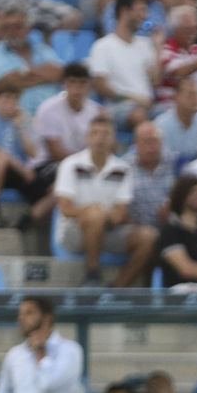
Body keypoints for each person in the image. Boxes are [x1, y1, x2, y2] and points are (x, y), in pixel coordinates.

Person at [53, 114, 158, 287]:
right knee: (96, 215)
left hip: (109, 229)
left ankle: (119, 287)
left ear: (113, 139)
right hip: (73, 231)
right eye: (95, 133)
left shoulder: (123, 169)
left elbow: (122, 211)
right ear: (87, 138)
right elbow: (65, 209)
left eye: (105, 134)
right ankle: (92, 273)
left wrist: (105, 217)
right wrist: (94, 212)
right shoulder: (70, 164)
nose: (100, 138)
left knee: (149, 237)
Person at [0, 84, 55, 230]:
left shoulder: (24, 119)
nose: (10, 103)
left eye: (14, 99)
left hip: (20, 173)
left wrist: (21, 128)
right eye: (6, 99)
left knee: (55, 187)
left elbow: (33, 153)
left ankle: (28, 219)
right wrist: (20, 167)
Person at [88, 0, 160, 130]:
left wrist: (158, 49)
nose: (145, 16)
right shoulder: (103, 46)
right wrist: (132, 98)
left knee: (172, 114)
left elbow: (155, 81)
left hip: (148, 105)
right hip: (118, 106)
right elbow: (100, 85)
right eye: (140, 10)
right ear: (125, 12)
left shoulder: (145, 44)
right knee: (139, 115)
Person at [33, 63, 102, 166]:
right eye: (72, 82)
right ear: (64, 84)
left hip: (86, 164)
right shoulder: (49, 109)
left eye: (82, 83)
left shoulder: (97, 111)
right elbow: (56, 153)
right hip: (48, 163)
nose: (77, 89)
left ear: (90, 86)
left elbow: (104, 146)